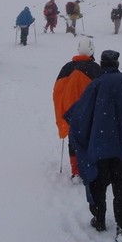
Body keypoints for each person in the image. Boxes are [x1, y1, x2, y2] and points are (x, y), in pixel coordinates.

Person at [64, 50, 122, 242]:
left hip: (101, 146)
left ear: (102, 64)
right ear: (117, 63)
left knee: (97, 183)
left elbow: (80, 115)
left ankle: (99, 219)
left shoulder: (95, 85)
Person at [52, 37, 101, 181]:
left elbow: (57, 92)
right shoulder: (96, 69)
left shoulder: (67, 67)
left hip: (70, 114)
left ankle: (76, 171)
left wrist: (62, 110)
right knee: (90, 140)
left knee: (73, 142)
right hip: (89, 113)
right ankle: (90, 168)